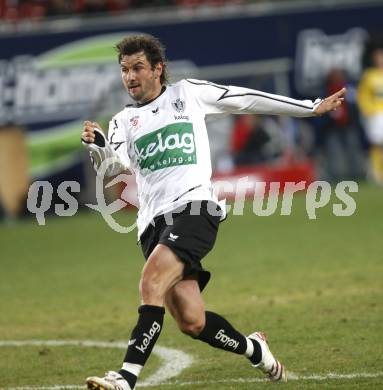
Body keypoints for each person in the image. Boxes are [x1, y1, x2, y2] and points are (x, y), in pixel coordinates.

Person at [81, 34, 345, 390]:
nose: (129, 77)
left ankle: (125, 377)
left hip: (195, 209)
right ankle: (255, 349)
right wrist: (98, 147)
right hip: (152, 225)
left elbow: (247, 99)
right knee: (192, 321)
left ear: (158, 69)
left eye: (138, 68)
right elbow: (114, 168)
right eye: (124, 70)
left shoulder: (187, 94)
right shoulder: (121, 123)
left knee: (149, 283)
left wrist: (310, 107)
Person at [357, 46, 383, 184]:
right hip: (376, 114)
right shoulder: (369, 76)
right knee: (377, 144)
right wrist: (367, 110)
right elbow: (362, 95)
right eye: (378, 57)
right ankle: (377, 173)